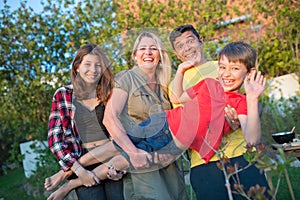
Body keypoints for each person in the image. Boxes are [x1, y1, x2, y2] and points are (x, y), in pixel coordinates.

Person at [41, 41, 267, 200]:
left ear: (249, 72)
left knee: (121, 160)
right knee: (116, 145)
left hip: (174, 142)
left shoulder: (241, 103)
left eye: (235, 69)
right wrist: (180, 71)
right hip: (163, 122)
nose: (227, 73)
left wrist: (254, 98)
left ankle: (70, 183)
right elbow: (178, 97)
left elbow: (252, 139)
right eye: (223, 68)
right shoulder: (209, 84)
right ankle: (67, 171)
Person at [169, 25, 270, 199]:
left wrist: (239, 117)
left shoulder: (227, 63)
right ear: (176, 53)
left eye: (190, 41)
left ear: (201, 41)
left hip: (241, 155)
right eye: (180, 46)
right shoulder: (177, 84)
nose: (186, 48)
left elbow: (252, 105)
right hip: (204, 164)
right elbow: (182, 120)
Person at [44, 44, 124, 200]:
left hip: (111, 157)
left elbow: (121, 133)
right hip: (80, 160)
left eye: (98, 65)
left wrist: (119, 169)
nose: (93, 70)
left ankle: (65, 180)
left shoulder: (111, 94)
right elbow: (55, 139)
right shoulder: (64, 94)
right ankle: (70, 175)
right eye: (87, 64)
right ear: (77, 67)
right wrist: (79, 171)